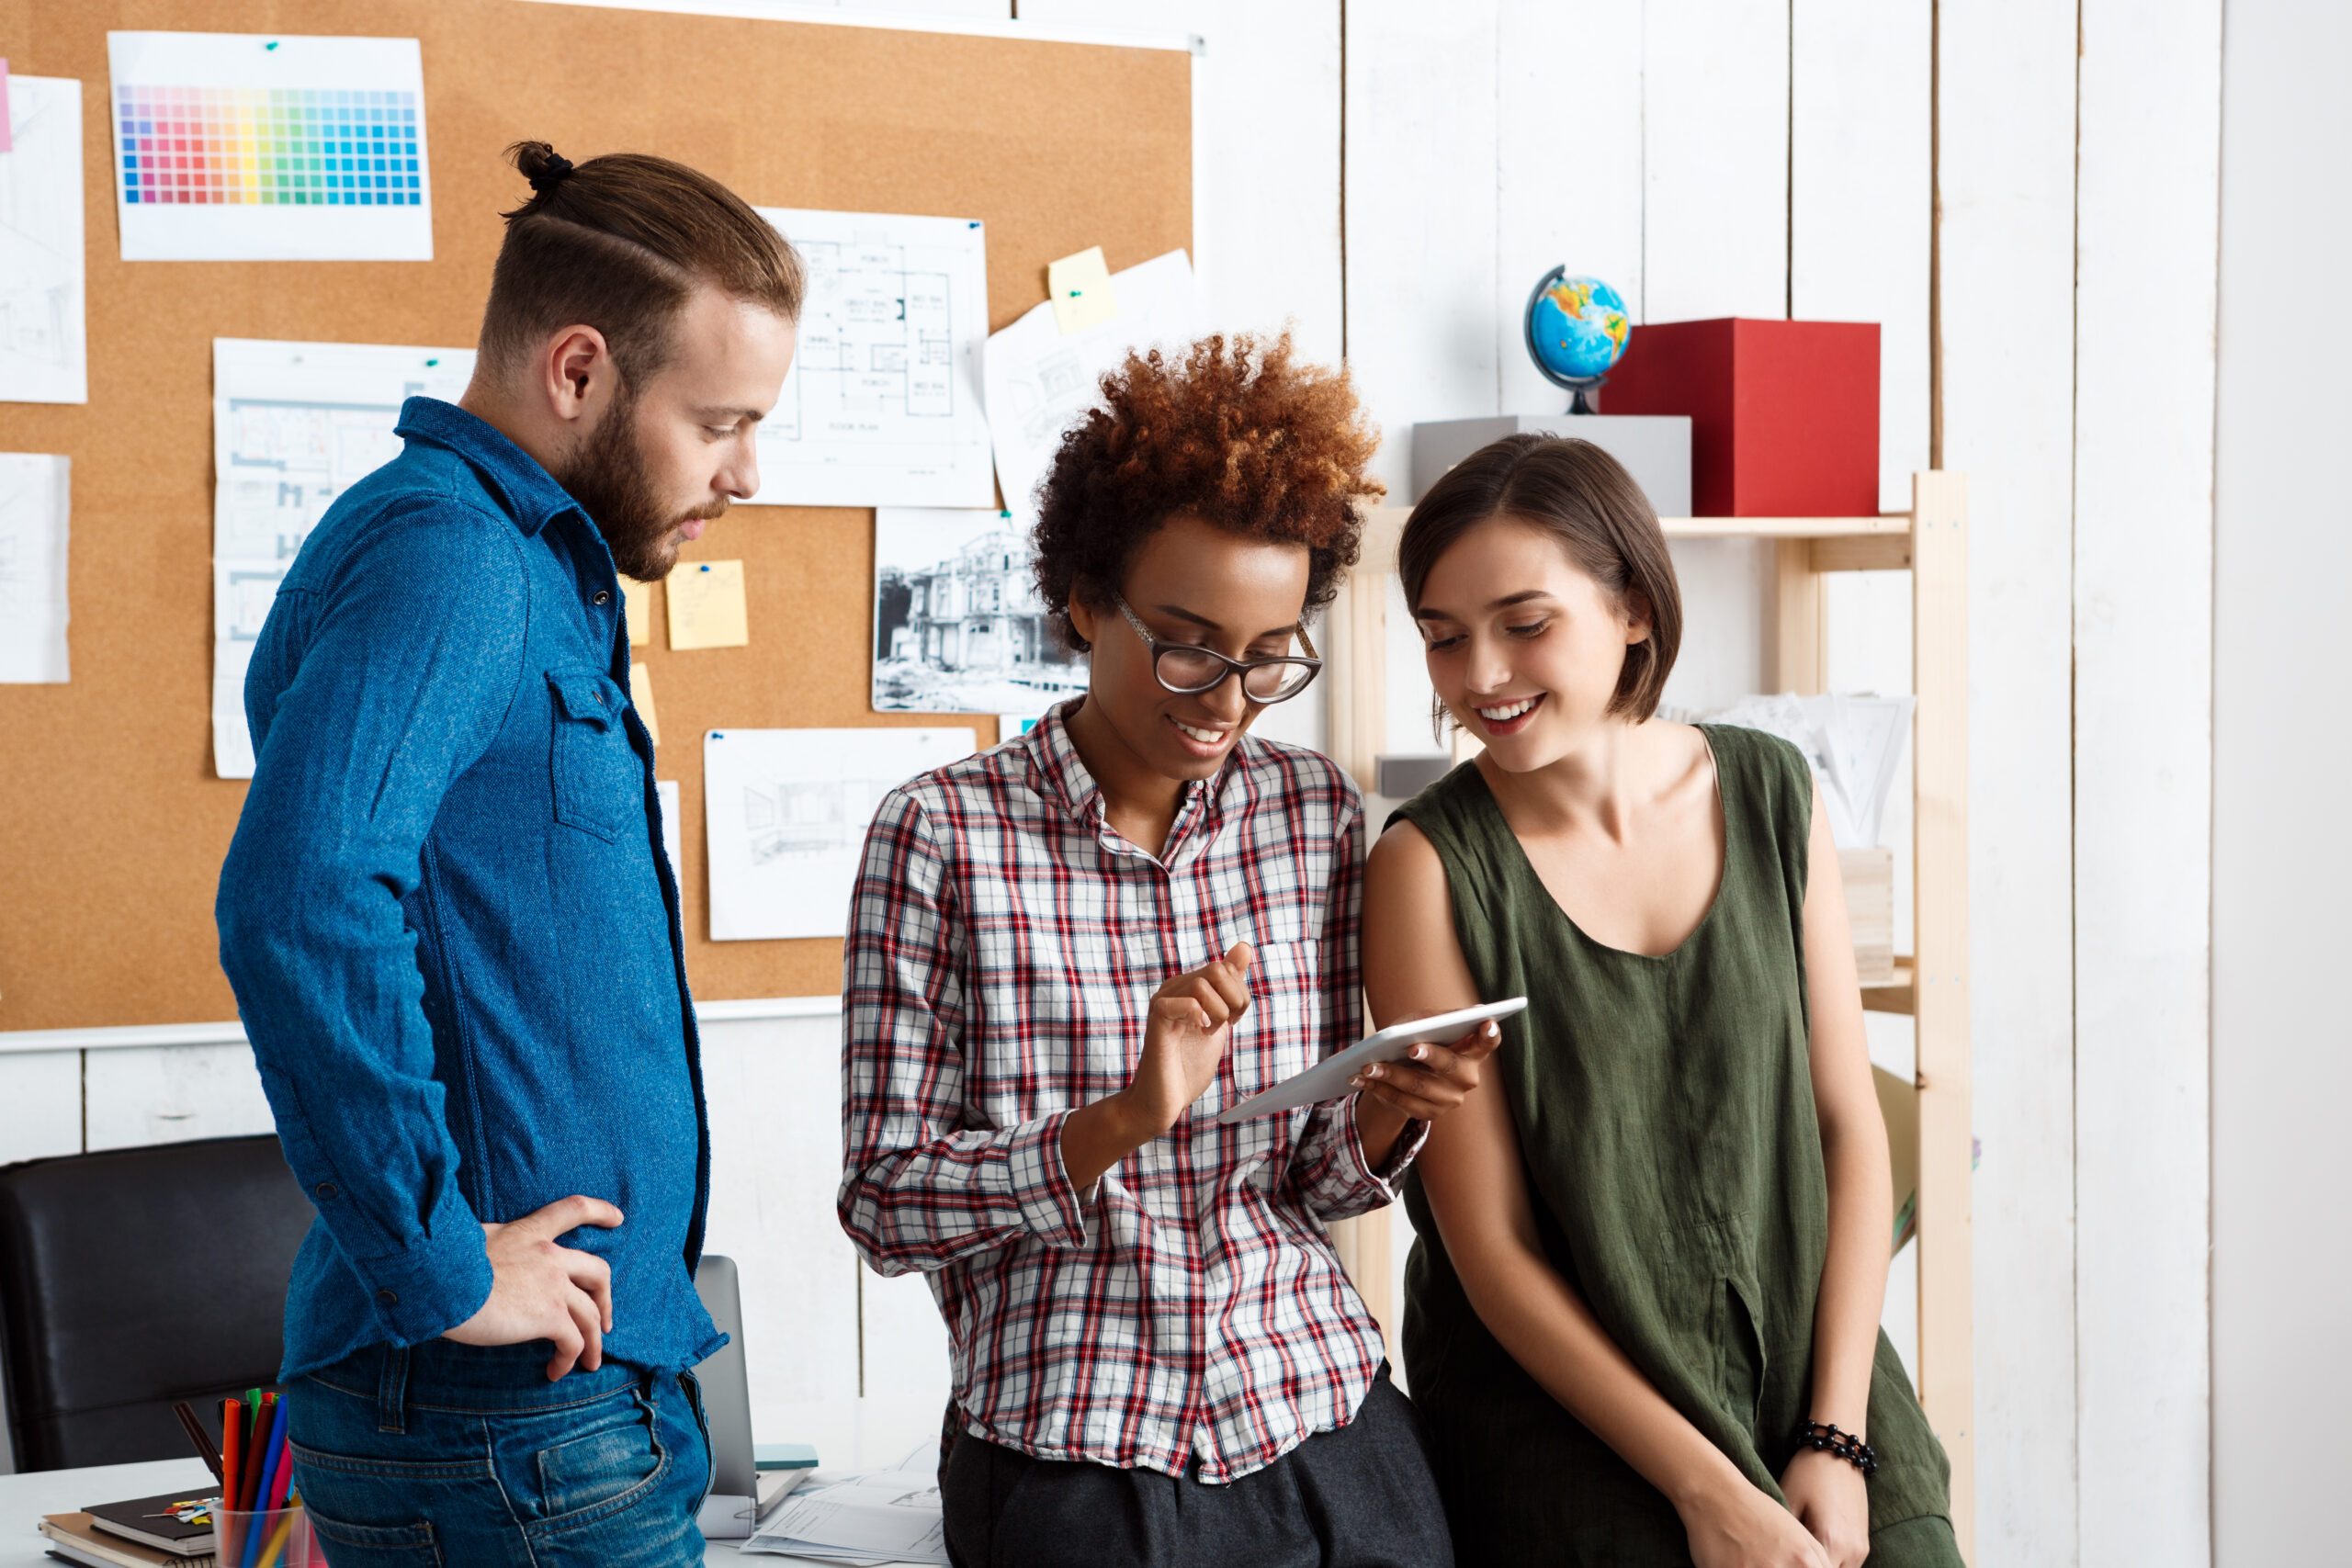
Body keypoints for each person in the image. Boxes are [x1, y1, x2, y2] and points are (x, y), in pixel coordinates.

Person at [214, 141, 801, 1568]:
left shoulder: (516, 559)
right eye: (718, 420)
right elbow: (299, 898)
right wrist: (439, 1259)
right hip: (502, 1418)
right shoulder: (455, 560)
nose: (748, 470)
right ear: (582, 369)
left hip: (542, 1410)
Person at [840, 333, 1494, 1568]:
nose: (1228, 697)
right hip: (1074, 1448)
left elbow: (1311, 1181)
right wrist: (1122, 1118)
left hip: (1327, 1418)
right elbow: (883, 1202)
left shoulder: (1309, 812)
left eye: (1268, 654)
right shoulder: (938, 835)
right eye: (1188, 641)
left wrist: (1386, 1114)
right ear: (1085, 596)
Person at [1363, 434, 1961, 1568]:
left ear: (1633, 606)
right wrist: (1712, 1497)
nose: (1479, 674)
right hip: (1573, 1422)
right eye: (1443, 639)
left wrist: (1836, 1438)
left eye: (1523, 623)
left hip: (1812, 1376)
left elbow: (1849, 1129)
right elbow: (1489, 1252)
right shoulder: (1427, 868)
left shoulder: (1773, 792)